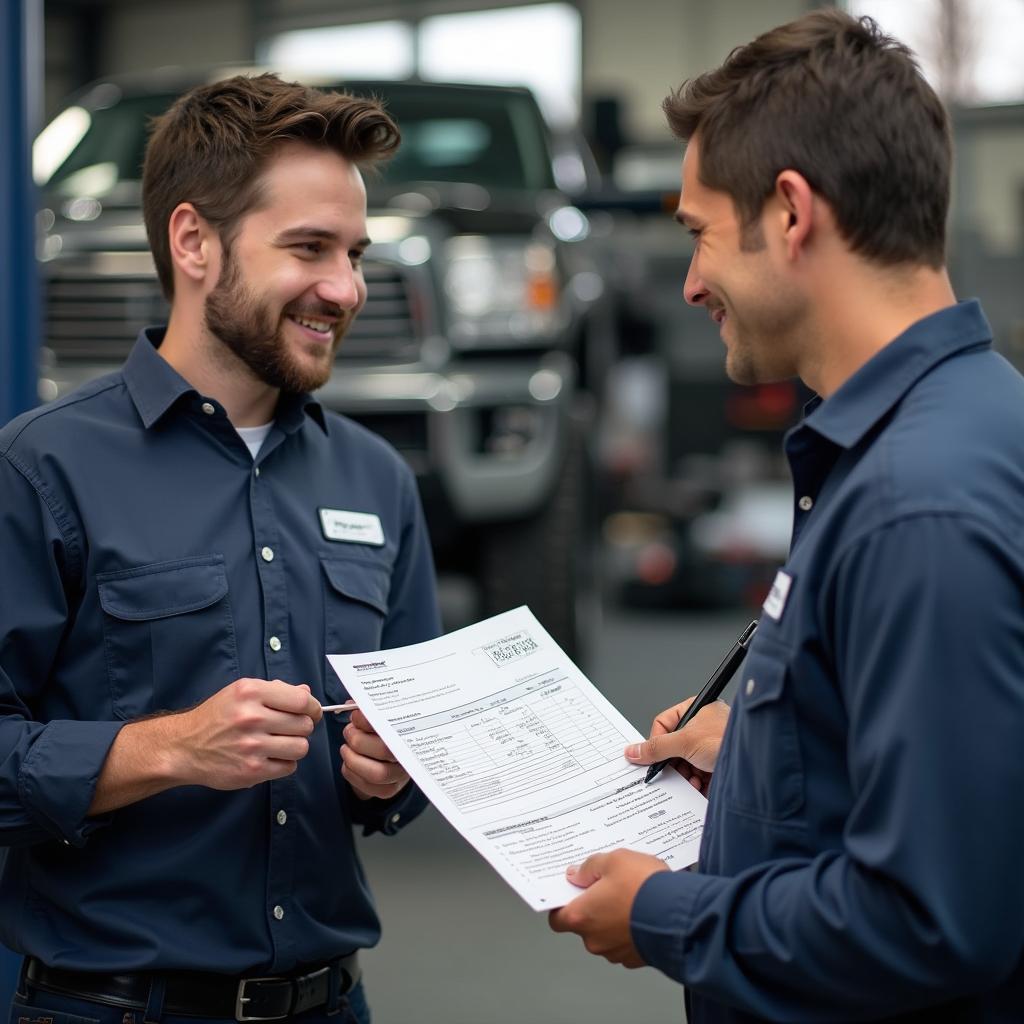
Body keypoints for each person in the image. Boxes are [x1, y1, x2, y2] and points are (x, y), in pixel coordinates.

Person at [550, 9, 1024, 1022]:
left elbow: (929, 916)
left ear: (792, 212)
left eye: (698, 236)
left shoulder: (913, 504)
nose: (687, 283)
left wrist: (664, 913)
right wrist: (772, 759)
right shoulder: (956, 428)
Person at [0, 73, 441, 1024]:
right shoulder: (41, 470)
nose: (348, 288)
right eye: (310, 249)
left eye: (356, 253)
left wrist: (395, 774)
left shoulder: (377, 481)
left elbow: (404, 769)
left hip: (331, 1006)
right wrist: (167, 750)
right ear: (193, 241)